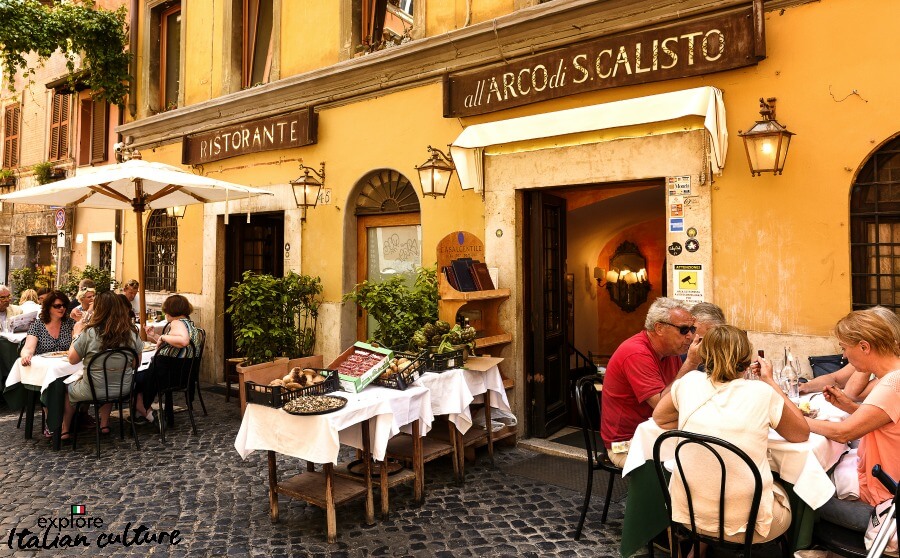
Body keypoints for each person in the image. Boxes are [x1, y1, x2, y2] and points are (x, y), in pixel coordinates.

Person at [652, 326, 809, 547]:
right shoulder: (762, 393)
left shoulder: (688, 383)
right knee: (790, 491)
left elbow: (660, 418)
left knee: (715, 480)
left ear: (703, 356)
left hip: (688, 515)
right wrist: (770, 381)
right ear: (747, 362)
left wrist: (706, 424)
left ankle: (702, 548)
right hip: (748, 526)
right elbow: (801, 434)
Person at [807, 310, 900, 535]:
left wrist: (797, 420)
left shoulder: (892, 384)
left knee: (804, 495)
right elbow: (884, 421)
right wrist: (848, 407)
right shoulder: (891, 377)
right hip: (887, 481)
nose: (844, 356)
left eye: (843, 348)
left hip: (885, 496)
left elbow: (843, 433)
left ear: (864, 347)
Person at [600, 297, 701, 467]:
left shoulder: (670, 352)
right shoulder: (636, 353)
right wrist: (691, 363)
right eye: (684, 330)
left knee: (703, 453)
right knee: (692, 463)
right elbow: (662, 406)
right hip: (625, 444)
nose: (690, 336)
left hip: (659, 433)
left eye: (692, 329)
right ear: (659, 328)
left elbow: (682, 392)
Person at [61, 291, 143, 440]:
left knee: (67, 388)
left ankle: (65, 429)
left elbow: (72, 359)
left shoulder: (89, 332)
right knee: (108, 378)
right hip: (122, 388)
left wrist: (76, 334)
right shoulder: (131, 332)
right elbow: (136, 363)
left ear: (98, 309)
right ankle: (104, 424)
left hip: (93, 389)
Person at [799, 306, 898, 399]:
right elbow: (835, 379)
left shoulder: (893, 372)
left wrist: (870, 355)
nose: (844, 355)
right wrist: (806, 386)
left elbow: (852, 394)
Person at [133, 294, 201, 423]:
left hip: (167, 376)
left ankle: (147, 413)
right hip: (184, 376)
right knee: (140, 377)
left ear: (170, 311)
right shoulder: (189, 324)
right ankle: (143, 411)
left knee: (133, 380)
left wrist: (163, 337)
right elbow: (175, 345)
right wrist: (155, 336)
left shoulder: (177, 322)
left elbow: (184, 341)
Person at [19, 291, 76, 366]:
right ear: (48, 307)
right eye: (57, 306)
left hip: (66, 366)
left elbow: (77, 346)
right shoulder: (37, 325)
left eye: (64, 305)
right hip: (44, 367)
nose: (62, 308)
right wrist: (26, 357)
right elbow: (28, 348)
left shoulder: (70, 323)